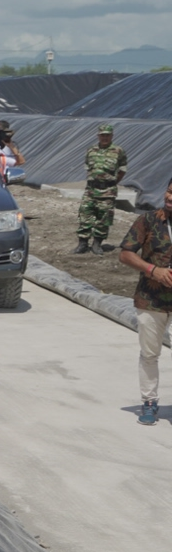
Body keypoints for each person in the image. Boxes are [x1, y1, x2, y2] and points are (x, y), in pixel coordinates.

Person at [118, 177, 172, 426]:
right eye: (169, 192)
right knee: (150, 353)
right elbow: (126, 253)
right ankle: (149, 402)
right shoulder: (148, 220)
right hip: (151, 299)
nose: (169, 198)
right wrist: (153, 270)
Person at [76, 124, 128, 255]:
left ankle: (97, 244)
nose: (104, 137)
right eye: (102, 135)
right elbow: (88, 167)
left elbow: (122, 169)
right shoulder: (91, 150)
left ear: (112, 136)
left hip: (107, 191)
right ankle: (82, 243)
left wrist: (113, 182)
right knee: (85, 215)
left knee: (103, 219)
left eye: (107, 135)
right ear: (98, 136)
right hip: (91, 190)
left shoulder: (118, 151)